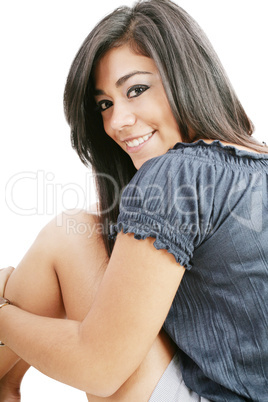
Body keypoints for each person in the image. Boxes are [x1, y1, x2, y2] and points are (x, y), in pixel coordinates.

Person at [0, 0, 267, 400]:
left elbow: (100, 369)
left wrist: (3, 315)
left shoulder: (178, 174)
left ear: (186, 79)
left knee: (69, 235)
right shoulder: (257, 160)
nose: (116, 122)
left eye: (136, 90)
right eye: (104, 104)